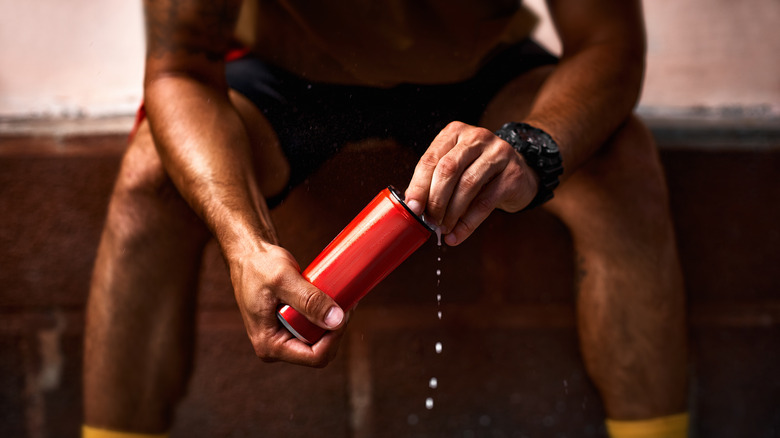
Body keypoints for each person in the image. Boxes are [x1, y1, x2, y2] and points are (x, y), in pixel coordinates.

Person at [83, 0, 690, 437]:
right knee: (151, 177)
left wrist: (533, 148)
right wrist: (244, 243)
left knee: (618, 163)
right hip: (287, 72)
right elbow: (180, 66)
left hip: (480, 69)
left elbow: (608, 42)